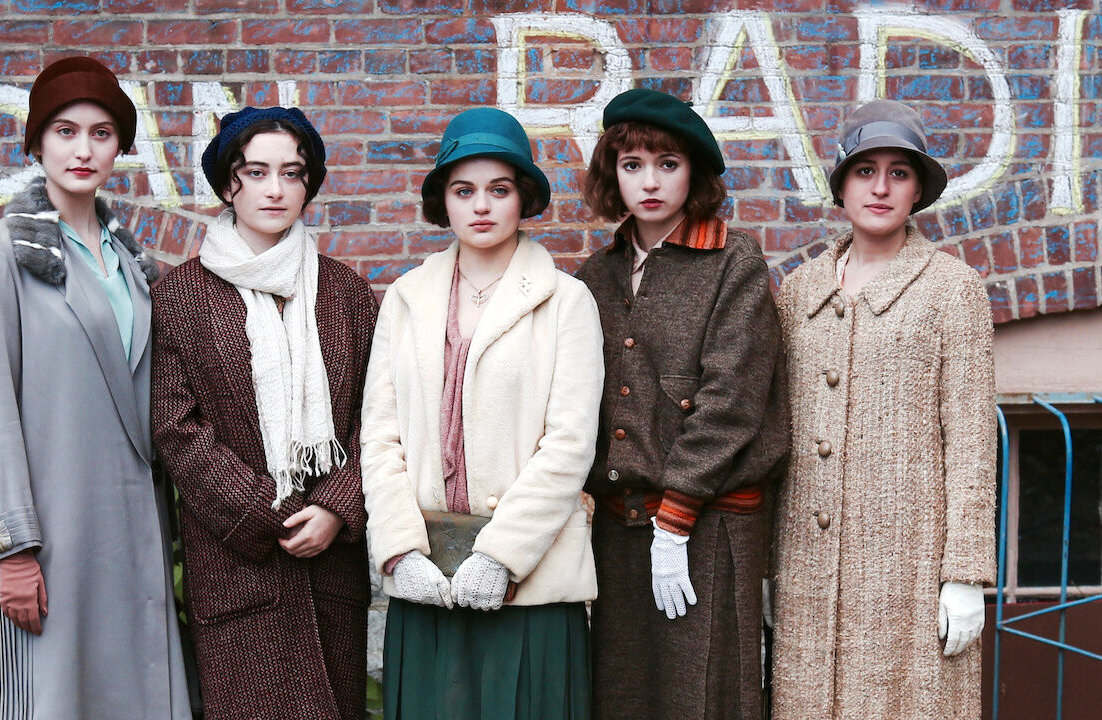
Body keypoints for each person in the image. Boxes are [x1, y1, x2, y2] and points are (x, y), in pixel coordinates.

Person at [0, 56, 190, 719]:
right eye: (65, 132)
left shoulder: (133, 265)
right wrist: (15, 550)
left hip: (130, 532)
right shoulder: (4, 253)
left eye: (101, 133)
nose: (83, 150)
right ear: (37, 143)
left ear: (120, 148)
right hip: (51, 532)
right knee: (51, 698)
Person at [361, 107, 605, 720]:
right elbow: (380, 436)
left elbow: (570, 443)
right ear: (442, 201)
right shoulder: (405, 298)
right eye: (463, 190)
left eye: (499, 189)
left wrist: (501, 555)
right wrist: (399, 551)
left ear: (523, 197)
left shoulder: (566, 300)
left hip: (529, 583)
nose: (482, 206)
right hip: (426, 580)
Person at [771, 99, 996, 719]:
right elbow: (776, 433)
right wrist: (768, 567)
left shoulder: (952, 289)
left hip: (912, 568)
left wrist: (966, 574)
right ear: (840, 185)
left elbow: (972, 438)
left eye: (899, 173)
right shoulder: (799, 291)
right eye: (865, 171)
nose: (880, 187)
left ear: (918, 189)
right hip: (805, 569)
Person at [150, 106, 376, 720]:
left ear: (308, 185)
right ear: (229, 185)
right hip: (238, 568)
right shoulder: (179, 296)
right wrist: (273, 513)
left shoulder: (347, 293)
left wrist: (335, 507)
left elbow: (380, 415)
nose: (275, 189)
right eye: (256, 172)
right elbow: (176, 430)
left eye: (291, 173)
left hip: (330, 567)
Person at [575, 88, 790, 720]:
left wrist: (675, 520)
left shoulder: (733, 260)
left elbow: (732, 401)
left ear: (692, 172)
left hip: (707, 525)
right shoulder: (596, 275)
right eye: (633, 164)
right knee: (624, 699)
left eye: (667, 164)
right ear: (613, 173)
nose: (650, 181)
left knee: (707, 698)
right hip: (620, 527)